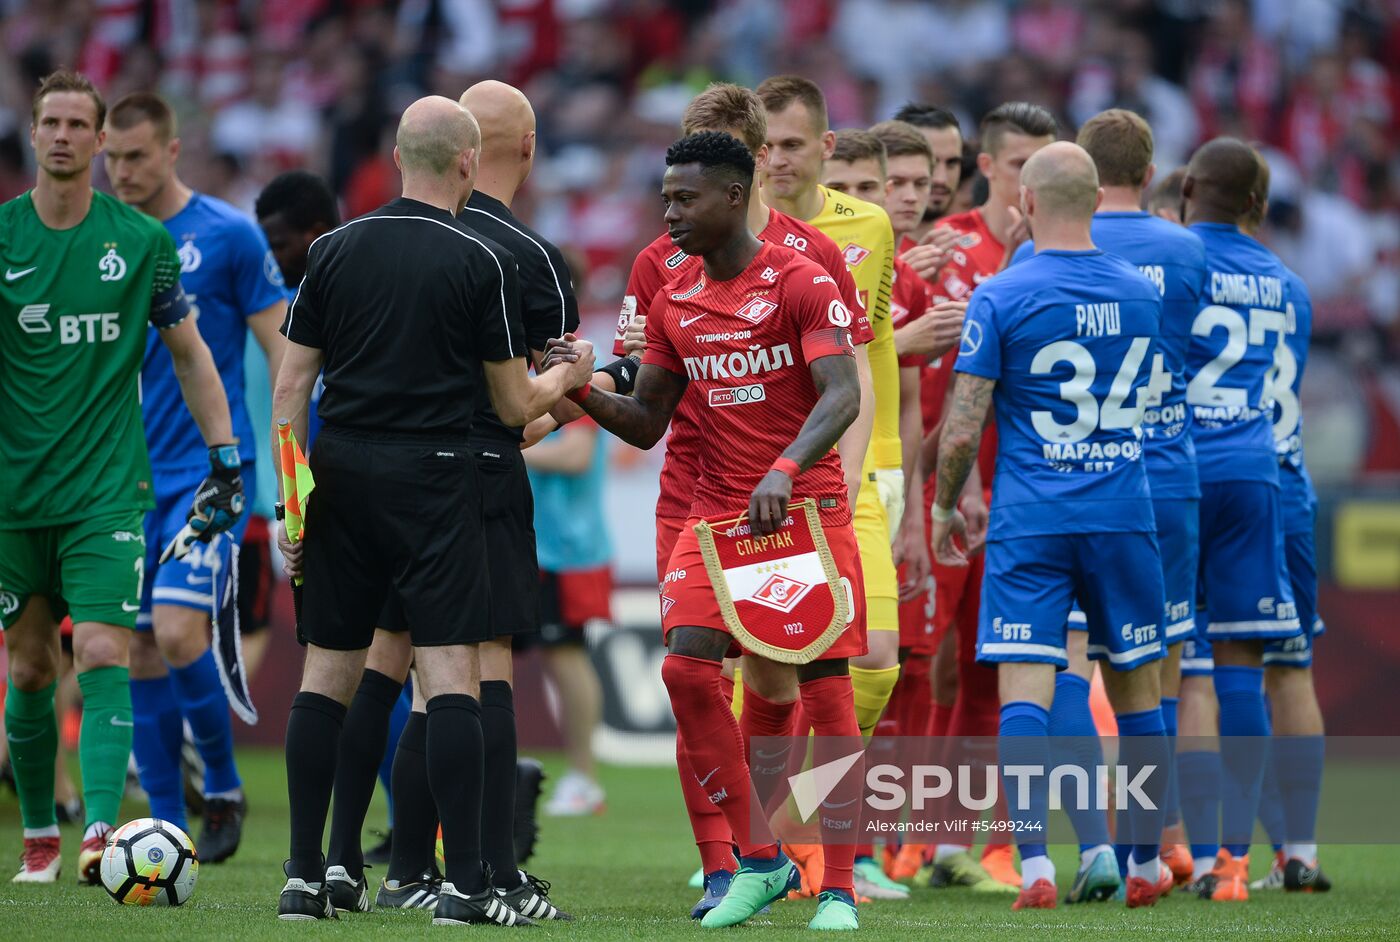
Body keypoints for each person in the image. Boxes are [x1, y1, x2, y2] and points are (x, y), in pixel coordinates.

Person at [271, 95, 593, 924]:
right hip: (439, 477)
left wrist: (292, 505)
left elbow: (290, 387)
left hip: (341, 473)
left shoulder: (333, 250)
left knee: (327, 676)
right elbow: (518, 405)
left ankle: (307, 876)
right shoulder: (477, 259)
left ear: (394, 156)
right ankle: (466, 888)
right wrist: (575, 375)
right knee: (451, 673)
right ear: (464, 162)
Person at [557, 130, 867, 931]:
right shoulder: (674, 296)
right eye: (665, 198)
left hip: (802, 511)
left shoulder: (801, 281)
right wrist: (582, 384)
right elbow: (647, 420)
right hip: (716, 518)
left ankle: (838, 888)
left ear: (734, 197)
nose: (670, 213)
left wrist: (785, 470)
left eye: (685, 199)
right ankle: (759, 861)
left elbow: (842, 395)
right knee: (688, 674)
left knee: (826, 689)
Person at [2, 69, 243, 885]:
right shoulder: (2, 241)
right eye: (51, 122)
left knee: (106, 648)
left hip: (108, 490)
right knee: (31, 666)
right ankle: (41, 831)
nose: (64, 135)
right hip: (14, 498)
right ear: (34, 135)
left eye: (79, 123)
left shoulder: (141, 244)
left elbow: (191, 355)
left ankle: (103, 831)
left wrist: (227, 455)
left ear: (99, 141)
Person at [930, 141, 1173, 911]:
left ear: (1026, 204)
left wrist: (943, 504)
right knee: (1137, 695)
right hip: (1124, 513)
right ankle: (1140, 864)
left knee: (1024, 694)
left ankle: (1035, 866)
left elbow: (963, 428)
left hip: (1033, 517)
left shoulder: (1001, 294)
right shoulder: (1141, 291)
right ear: (1098, 201)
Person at [1010, 108, 1208, 896]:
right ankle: (1156, 848)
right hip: (1163, 474)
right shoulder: (1184, 250)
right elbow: (1180, 352)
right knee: (1153, 673)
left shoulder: (1036, 252)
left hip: (1066, 474)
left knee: (1061, 660)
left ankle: (1086, 844)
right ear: (1150, 172)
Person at [104, 90, 288, 863]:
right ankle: (165, 827)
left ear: (172, 151)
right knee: (139, 651)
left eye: (135, 155)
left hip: (208, 473)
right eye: (111, 158)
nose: (121, 172)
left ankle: (221, 782)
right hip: (117, 477)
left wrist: (289, 459)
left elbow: (283, 350)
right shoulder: (93, 237)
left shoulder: (228, 236)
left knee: (180, 632)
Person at [923, 102, 1057, 891]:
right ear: (989, 167)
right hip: (948, 485)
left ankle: (971, 844)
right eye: (1019, 168)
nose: (1030, 183)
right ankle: (890, 837)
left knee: (995, 672)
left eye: (1044, 168)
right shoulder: (960, 246)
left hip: (1027, 495)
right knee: (923, 667)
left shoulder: (1066, 253)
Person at [1179, 137, 1302, 904]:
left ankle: (1175, 851)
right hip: (1256, 472)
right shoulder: (1289, 282)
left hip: (1180, 470)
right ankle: (1232, 863)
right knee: (1243, 671)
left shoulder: (1171, 256)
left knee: (1173, 670)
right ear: (1258, 205)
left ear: (1188, 187)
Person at [1241, 152, 1330, 895]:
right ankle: (1300, 848)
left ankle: (1217, 855)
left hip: (1220, 485)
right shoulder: (1291, 287)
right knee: (1291, 666)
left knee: (1206, 672)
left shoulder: (1189, 267)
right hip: (1288, 483)